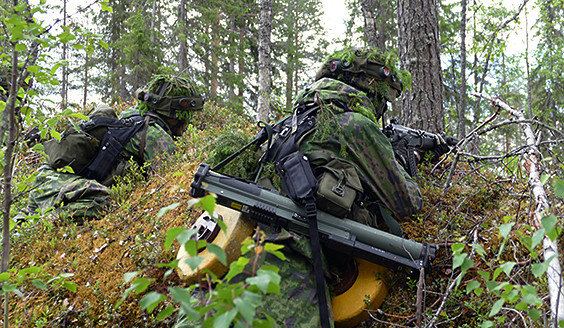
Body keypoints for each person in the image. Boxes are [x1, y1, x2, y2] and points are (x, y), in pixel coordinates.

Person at [209, 47, 449, 327]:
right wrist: (403, 159)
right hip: (288, 268)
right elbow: (409, 203)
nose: (383, 108)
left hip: (235, 253)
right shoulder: (355, 126)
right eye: (384, 99)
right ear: (370, 92)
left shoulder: (291, 123)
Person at [20, 74, 204, 222]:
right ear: (175, 114)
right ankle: (38, 222)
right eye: (187, 116)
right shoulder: (157, 138)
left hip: (47, 181)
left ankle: (30, 216)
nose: (188, 122)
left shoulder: (132, 114)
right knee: (108, 204)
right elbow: (171, 187)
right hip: (63, 189)